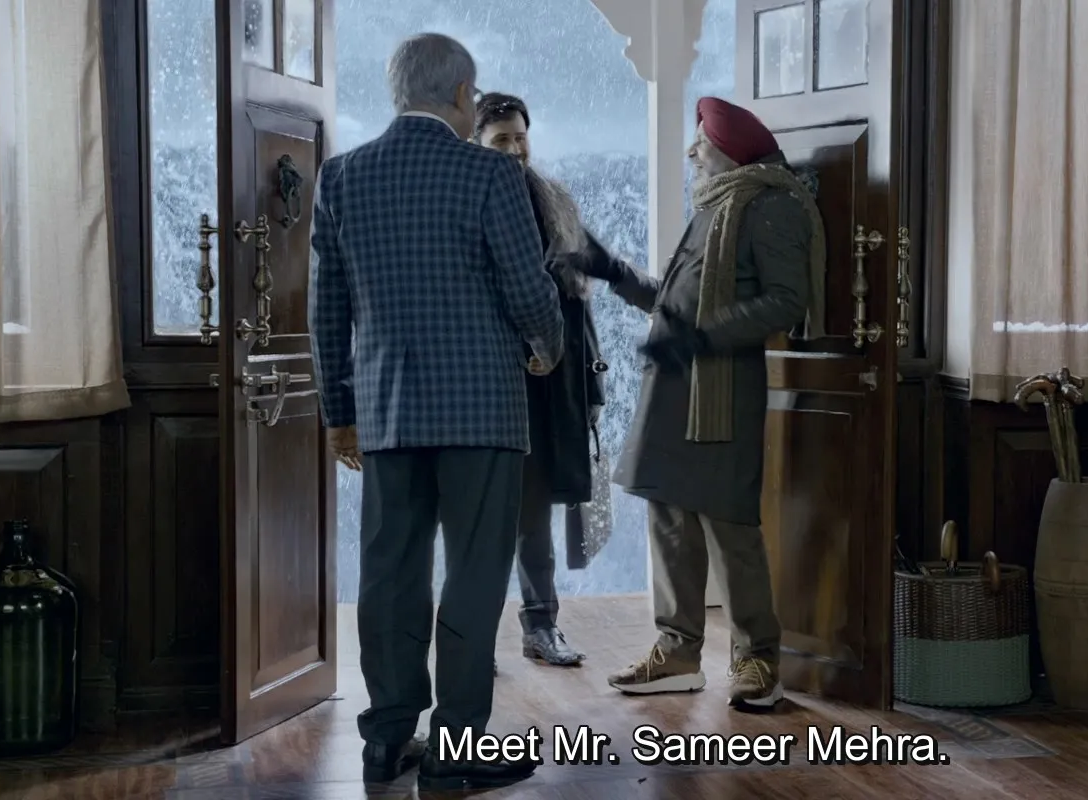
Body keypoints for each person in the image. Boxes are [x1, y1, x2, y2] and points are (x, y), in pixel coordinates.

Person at [308, 33, 562, 791]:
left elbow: (327, 310)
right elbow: (528, 289)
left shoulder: (341, 176)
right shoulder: (490, 173)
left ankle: (386, 741)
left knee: (389, 574)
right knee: (473, 578)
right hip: (481, 412)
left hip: (386, 412)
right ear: (459, 96)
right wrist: (546, 348)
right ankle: (454, 755)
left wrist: (339, 412)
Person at [575, 97, 827, 712]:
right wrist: (610, 270)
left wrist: (702, 338)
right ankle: (677, 654)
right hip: (673, 389)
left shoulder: (768, 206)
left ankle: (757, 659)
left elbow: (786, 301)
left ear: (729, 152)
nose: (691, 152)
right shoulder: (716, 206)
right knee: (668, 518)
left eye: (702, 143)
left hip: (721, 393)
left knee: (728, 524)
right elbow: (674, 302)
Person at [470, 91, 611, 668]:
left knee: (533, 516)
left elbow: (583, 295)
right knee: (479, 520)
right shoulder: (464, 201)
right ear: (476, 142)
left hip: (549, 385)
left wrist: (593, 386)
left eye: (520, 137)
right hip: (484, 386)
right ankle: (472, 640)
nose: (513, 149)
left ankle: (541, 626)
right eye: (500, 139)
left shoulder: (553, 200)